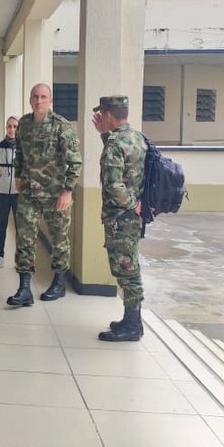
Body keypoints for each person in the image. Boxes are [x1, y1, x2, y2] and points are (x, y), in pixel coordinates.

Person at [8, 83, 83, 306]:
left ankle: (58, 283)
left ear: (50, 100)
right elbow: (19, 152)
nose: (38, 101)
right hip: (29, 193)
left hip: (55, 194)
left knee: (59, 239)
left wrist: (68, 191)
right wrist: (19, 176)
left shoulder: (62, 126)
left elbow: (75, 161)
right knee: (24, 239)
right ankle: (24, 288)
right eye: (35, 97)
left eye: (43, 97)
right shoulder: (24, 124)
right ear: (30, 99)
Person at [90, 96, 147, 342]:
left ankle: (133, 326)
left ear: (108, 114)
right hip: (130, 218)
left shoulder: (115, 143)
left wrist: (132, 205)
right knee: (128, 266)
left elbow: (114, 184)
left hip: (121, 217)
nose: (101, 118)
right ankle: (129, 319)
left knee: (127, 269)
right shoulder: (136, 137)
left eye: (102, 114)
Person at [0, 116, 20, 270]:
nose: (12, 129)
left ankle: (21, 259)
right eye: (9, 126)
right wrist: (3, 180)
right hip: (1, 193)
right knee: (1, 225)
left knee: (21, 227)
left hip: (19, 193)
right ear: (6, 128)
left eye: (15, 126)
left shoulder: (24, 147)